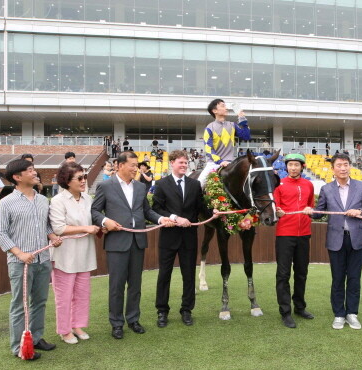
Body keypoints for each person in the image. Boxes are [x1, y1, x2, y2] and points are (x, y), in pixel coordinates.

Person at [91, 151, 174, 340]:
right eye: (132, 165)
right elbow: (95, 211)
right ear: (120, 166)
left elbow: (146, 210)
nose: (136, 168)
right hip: (116, 242)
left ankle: (133, 319)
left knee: (135, 285)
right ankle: (117, 323)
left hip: (138, 242)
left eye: (137, 165)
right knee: (117, 285)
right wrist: (105, 221)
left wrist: (162, 218)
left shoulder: (139, 187)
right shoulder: (105, 185)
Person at [0, 159, 62, 360]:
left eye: (34, 169)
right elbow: (0, 234)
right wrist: (19, 253)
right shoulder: (6, 203)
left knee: (39, 302)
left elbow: (46, 226)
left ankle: (37, 337)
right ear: (17, 177)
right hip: (19, 264)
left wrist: (52, 237)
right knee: (19, 305)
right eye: (30, 170)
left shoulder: (42, 200)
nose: (35, 173)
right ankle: (19, 347)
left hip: (43, 260)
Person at [305, 153, 362, 331]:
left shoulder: (361, 186)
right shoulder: (327, 189)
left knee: (354, 278)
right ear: (333, 168)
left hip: (357, 239)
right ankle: (339, 314)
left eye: (346, 164)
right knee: (337, 279)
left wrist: (359, 211)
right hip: (336, 239)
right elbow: (320, 213)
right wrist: (310, 211)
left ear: (350, 166)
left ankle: (352, 314)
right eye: (339, 165)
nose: (343, 168)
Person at [152, 150, 208, 328]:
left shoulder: (194, 184)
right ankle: (162, 311)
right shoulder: (161, 184)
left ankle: (186, 310)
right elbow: (156, 209)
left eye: (186, 163)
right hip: (168, 238)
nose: (184, 165)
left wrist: (216, 213)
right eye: (180, 163)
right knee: (164, 275)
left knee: (189, 275)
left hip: (189, 238)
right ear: (172, 164)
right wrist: (175, 218)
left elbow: (201, 207)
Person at [49, 163, 100, 344]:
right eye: (79, 178)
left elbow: (95, 220)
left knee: (82, 293)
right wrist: (86, 227)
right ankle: (64, 330)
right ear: (67, 181)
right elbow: (59, 228)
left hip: (85, 253)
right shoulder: (57, 200)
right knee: (64, 296)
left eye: (84, 176)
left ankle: (77, 325)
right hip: (64, 255)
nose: (83, 181)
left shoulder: (88, 198)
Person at [273, 153, 315, 329]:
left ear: (302, 167)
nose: (293, 168)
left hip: (304, 233)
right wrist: (278, 211)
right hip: (285, 234)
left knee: (301, 272)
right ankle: (285, 311)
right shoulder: (279, 185)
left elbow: (311, 205)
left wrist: (309, 209)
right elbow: (274, 207)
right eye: (290, 165)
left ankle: (300, 307)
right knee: (283, 274)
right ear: (286, 167)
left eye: (296, 165)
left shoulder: (309, 185)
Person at [197, 98, 251, 188]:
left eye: (225, 106)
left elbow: (246, 136)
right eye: (223, 106)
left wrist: (243, 120)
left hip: (231, 163)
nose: (226, 108)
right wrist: (220, 161)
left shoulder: (232, 125)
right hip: (214, 164)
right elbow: (208, 149)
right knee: (198, 185)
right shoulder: (209, 128)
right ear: (214, 111)